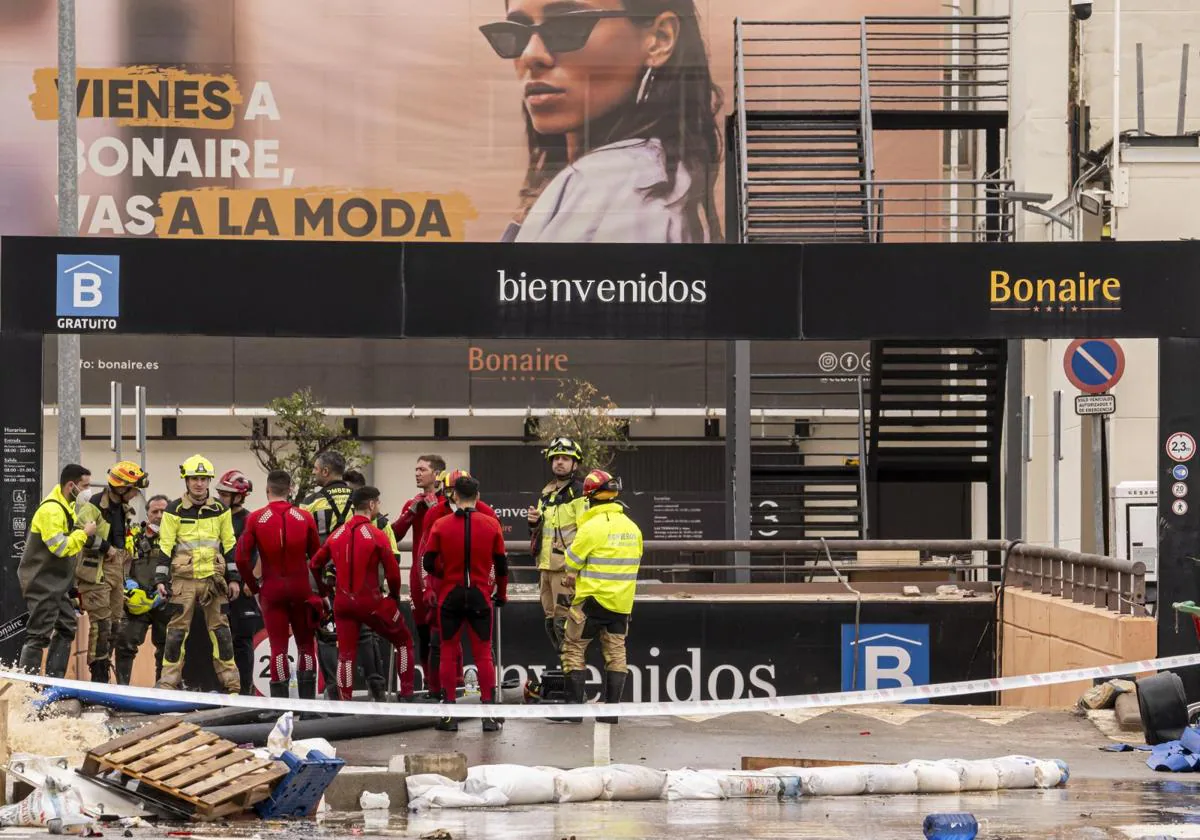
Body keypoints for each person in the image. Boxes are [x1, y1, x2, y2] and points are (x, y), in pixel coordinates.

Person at [479, 0, 722, 244]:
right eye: (516, 33)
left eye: (567, 25)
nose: (530, 54)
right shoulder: (659, 177)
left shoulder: (614, 182)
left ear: (659, 38)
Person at [309, 486, 416, 702]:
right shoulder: (376, 534)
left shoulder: (336, 534)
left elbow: (314, 564)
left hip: (342, 603)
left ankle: (345, 702)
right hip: (371, 602)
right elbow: (393, 573)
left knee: (346, 655)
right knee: (404, 641)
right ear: (372, 505)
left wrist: (325, 591)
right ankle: (406, 694)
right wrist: (393, 597)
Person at [422, 473, 508, 733]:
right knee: (483, 654)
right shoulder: (492, 524)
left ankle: (449, 716)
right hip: (481, 594)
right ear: (478, 497)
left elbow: (427, 562)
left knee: (447, 652)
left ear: (454, 496)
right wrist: (501, 594)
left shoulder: (441, 525)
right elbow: (502, 566)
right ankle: (489, 716)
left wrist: (443, 575)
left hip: (451, 594)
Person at [153, 454, 242, 694]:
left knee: (221, 633)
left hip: (214, 580)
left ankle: (232, 686)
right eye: (194, 478)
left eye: (203, 479)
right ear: (186, 480)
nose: (199, 483)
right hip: (184, 581)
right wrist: (161, 579)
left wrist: (234, 578)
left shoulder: (220, 509)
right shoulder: (174, 510)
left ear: (209, 481)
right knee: (176, 634)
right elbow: (165, 546)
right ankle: (167, 684)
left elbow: (229, 544)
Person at [560, 469, 642, 725]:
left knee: (573, 648)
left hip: (591, 602)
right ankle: (611, 712)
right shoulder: (632, 527)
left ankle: (574, 711)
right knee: (616, 654)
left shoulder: (590, 527)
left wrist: (573, 573)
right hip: (621, 604)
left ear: (590, 497)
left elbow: (570, 561)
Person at [236, 470, 323, 699]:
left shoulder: (255, 518)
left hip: (272, 590)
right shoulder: (304, 517)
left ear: (267, 490)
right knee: (305, 646)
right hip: (300, 588)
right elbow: (317, 559)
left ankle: (280, 707)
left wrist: (254, 586)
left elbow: (241, 558)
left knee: (278, 648)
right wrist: (321, 590)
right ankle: (308, 707)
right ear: (290, 490)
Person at [17, 464, 96, 677]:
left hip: (57, 584)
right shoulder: (51, 510)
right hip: (42, 582)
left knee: (67, 626)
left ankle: (54, 685)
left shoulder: (65, 507)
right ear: (71, 485)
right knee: (38, 634)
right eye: (85, 485)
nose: (88, 491)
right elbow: (60, 548)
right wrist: (84, 534)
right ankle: (26, 691)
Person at [73, 461, 148, 683]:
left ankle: (105, 668)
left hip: (116, 571)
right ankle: (99, 678)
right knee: (101, 624)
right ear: (121, 487)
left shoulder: (122, 508)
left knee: (115, 623)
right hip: (96, 571)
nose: (135, 493)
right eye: (133, 488)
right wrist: (106, 547)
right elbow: (80, 533)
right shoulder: (94, 505)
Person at [341, 469, 401, 702]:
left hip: (370, 594)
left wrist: (386, 589)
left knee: (368, 639)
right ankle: (346, 693)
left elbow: (394, 558)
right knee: (349, 642)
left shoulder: (382, 524)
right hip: (348, 593)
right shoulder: (346, 523)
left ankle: (375, 689)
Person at [390, 454, 446, 693]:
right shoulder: (412, 503)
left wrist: (435, 508)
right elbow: (394, 535)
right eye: (416, 469)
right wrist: (410, 513)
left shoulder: (447, 503)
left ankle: (455, 683)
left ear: (437, 474)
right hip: (417, 577)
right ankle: (432, 685)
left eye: (422, 469)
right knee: (423, 632)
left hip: (442, 577)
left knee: (445, 632)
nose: (417, 473)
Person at [527, 437, 587, 658]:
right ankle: (566, 673)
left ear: (575, 463)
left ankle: (573, 680)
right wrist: (534, 522)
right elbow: (542, 532)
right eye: (556, 458)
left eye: (565, 458)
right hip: (546, 568)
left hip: (566, 571)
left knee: (567, 625)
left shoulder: (580, 493)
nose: (559, 462)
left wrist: (574, 569)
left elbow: (585, 534)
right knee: (551, 623)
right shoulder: (547, 493)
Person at [216, 469, 263, 695]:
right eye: (220, 493)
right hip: (219, 586)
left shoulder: (249, 520)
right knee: (221, 640)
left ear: (239, 496)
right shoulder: (216, 517)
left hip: (244, 590)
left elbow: (262, 552)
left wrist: (251, 580)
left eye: (226, 494)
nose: (221, 498)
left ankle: (246, 691)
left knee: (242, 641)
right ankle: (228, 689)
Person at [115, 494, 169, 685]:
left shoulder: (176, 538)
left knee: (167, 647)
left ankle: (163, 691)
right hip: (137, 601)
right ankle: (122, 689)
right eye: (155, 511)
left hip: (165, 599)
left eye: (164, 511)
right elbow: (121, 563)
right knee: (124, 643)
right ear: (147, 513)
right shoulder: (134, 536)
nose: (160, 515)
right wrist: (128, 583)